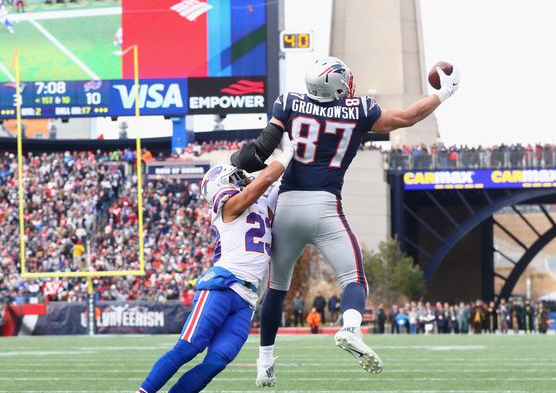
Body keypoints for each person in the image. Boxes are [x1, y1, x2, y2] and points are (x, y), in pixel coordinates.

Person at [230, 57, 460, 386]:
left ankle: (265, 363)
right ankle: (350, 328)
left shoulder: (289, 103)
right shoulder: (359, 110)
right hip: (325, 207)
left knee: (277, 290)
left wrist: (235, 163)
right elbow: (407, 118)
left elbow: (260, 152)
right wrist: (444, 94)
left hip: (288, 207)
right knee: (354, 280)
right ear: (335, 85)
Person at [135, 134, 295, 393]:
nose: (243, 179)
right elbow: (267, 178)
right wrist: (286, 152)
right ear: (221, 185)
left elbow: (281, 182)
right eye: (236, 178)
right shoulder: (230, 206)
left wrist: (290, 143)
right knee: (187, 348)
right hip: (223, 285)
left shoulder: (262, 204)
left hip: (247, 299)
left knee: (216, 362)